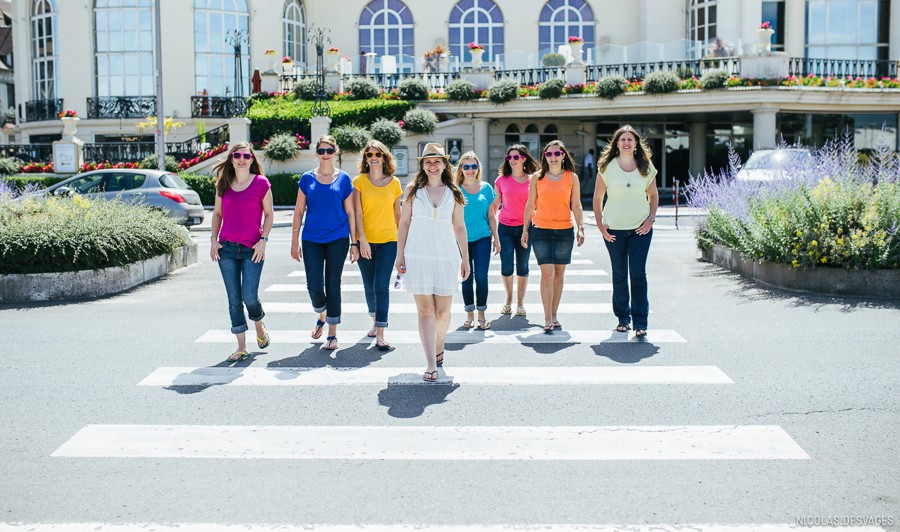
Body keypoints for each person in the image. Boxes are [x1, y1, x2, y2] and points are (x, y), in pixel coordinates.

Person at [396, 142, 470, 382]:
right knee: (425, 310)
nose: (432, 165)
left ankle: (439, 345)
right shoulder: (412, 190)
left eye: (437, 161)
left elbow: (459, 226)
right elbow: (404, 223)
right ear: (422, 165)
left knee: (443, 311)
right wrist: (400, 254)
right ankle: (430, 363)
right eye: (427, 161)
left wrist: (465, 258)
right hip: (418, 255)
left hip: (447, 256)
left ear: (444, 164)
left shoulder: (454, 192)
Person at [290, 135, 359, 351]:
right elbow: (299, 211)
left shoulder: (344, 179)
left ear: (335, 152)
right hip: (311, 238)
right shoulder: (307, 179)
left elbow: (350, 212)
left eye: (329, 150)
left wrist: (354, 243)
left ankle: (332, 332)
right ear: (316, 154)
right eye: (321, 151)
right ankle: (322, 314)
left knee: (333, 284)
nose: (325, 155)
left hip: (338, 238)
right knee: (314, 285)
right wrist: (294, 241)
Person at [209, 142, 274, 362]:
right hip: (226, 249)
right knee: (234, 299)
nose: (241, 159)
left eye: (246, 156)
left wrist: (263, 241)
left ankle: (259, 325)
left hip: (252, 249)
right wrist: (213, 240)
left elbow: (270, 215)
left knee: (249, 296)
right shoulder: (223, 183)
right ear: (231, 158)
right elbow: (217, 214)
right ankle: (241, 347)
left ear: (252, 159)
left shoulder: (261, 183)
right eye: (237, 155)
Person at [593, 125, 659, 338]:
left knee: (638, 274)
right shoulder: (606, 167)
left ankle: (641, 322)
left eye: (631, 139)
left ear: (636, 143)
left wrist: (650, 219)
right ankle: (623, 319)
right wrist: (600, 225)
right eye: (623, 139)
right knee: (620, 274)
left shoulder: (646, 167)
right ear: (617, 143)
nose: (627, 142)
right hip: (614, 230)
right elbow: (597, 198)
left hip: (641, 228)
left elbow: (654, 195)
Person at [521, 140, 585, 332]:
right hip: (541, 230)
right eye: (549, 154)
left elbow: (577, 205)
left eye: (557, 154)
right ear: (545, 157)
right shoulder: (537, 178)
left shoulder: (571, 177)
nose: (553, 157)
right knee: (547, 274)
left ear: (563, 155)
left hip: (565, 231)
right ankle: (547, 318)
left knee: (559, 275)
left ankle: (554, 314)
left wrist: (580, 226)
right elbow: (530, 204)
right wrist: (525, 229)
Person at [353, 140, 402, 351]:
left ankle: (381, 332)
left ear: (384, 158)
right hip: (366, 240)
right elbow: (356, 213)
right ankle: (374, 318)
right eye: (369, 154)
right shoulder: (359, 181)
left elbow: (398, 215)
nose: (373, 158)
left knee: (381, 286)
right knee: (369, 286)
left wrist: (403, 245)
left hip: (389, 240)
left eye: (377, 154)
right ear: (366, 158)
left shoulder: (395, 183)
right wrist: (359, 240)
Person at [492, 144, 539, 317]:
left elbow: (537, 204)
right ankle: (508, 299)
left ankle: (520, 303)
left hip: (526, 228)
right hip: (505, 227)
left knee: (523, 266)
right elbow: (495, 205)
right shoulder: (501, 180)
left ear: (523, 158)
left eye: (516, 157)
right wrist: (492, 231)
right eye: (509, 157)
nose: (512, 160)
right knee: (506, 266)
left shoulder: (533, 179)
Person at [455, 151, 499, 330]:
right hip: (461, 240)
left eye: (474, 166)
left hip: (482, 237)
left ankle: (481, 314)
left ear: (478, 168)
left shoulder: (486, 188)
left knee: (481, 277)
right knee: (466, 277)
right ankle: (469, 314)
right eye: (466, 167)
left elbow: (491, 215)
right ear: (461, 169)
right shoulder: (455, 189)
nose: (470, 170)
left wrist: (496, 237)